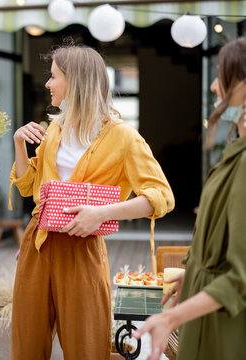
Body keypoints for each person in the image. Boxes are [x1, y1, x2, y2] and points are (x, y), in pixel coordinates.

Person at [9, 45, 174, 359]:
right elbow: (30, 189)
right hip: (37, 244)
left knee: (87, 346)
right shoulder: (55, 129)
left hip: (82, 249)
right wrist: (19, 144)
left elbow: (161, 197)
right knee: (26, 345)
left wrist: (101, 214)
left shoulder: (124, 138)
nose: (48, 84)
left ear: (75, 81)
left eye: (54, 76)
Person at [134, 37, 246, 360]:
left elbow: (240, 277)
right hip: (208, 316)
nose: (213, 86)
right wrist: (194, 274)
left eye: (222, 77)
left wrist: (170, 317)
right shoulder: (234, 153)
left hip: (224, 331)